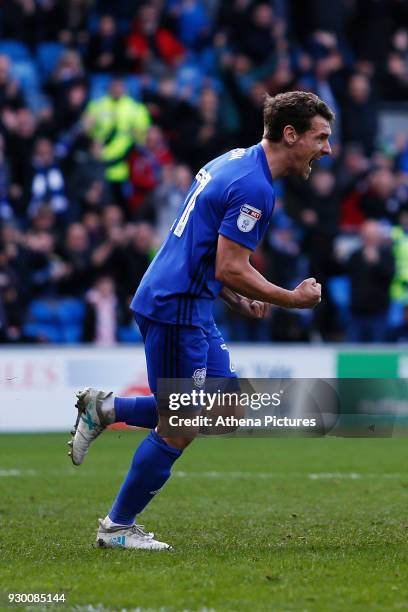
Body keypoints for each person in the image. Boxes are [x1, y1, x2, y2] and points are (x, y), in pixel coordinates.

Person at [68, 91, 334, 550]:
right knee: (183, 419)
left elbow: (207, 250)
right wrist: (291, 298)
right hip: (176, 307)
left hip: (189, 300)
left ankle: (106, 409)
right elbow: (229, 265)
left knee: (224, 406)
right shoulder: (256, 188)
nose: (327, 149)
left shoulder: (234, 160)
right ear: (290, 134)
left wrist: (231, 295)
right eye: (321, 137)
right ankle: (117, 528)